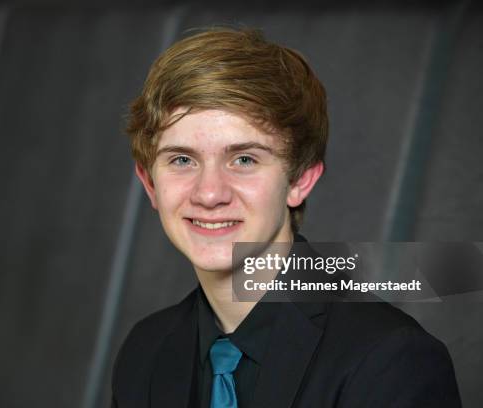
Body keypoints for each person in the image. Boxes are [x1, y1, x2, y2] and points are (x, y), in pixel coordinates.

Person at [111, 27, 461, 408]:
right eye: (182, 159)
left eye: (244, 159)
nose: (209, 193)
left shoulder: (391, 361)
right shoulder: (144, 351)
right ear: (149, 185)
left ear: (300, 179)